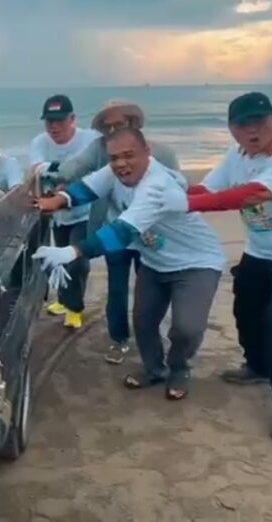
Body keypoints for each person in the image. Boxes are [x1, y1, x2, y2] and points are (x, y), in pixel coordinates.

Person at [148, 92, 272, 444]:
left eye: (259, 121)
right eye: (243, 124)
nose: (252, 130)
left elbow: (253, 195)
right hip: (262, 251)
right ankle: (258, 366)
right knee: (247, 313)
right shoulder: (236, 156)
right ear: (231, 129)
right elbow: (207, 188)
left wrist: (188, 204)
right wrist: (164, 192)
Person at [33, 127, 224, 400]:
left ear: (147, 153)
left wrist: (71, 252)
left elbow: (122, 233)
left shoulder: (156, 185)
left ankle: (179, 367)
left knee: (187, 328)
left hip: (196, 262)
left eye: (129, 155)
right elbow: (87, 189)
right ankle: (154, 369)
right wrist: (56, 201)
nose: (121, 163)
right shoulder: (115, 171)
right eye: (114, 158)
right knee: (144, 322)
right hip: (155, 261)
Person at [49, 99, 181, 364]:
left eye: (117, 124)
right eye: (106, 127)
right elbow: (73, 168)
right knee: (117, 289)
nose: (111, 131)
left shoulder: (163, 153)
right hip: (115, 232)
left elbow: (178, 192)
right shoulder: (99, 148)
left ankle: (151, 339)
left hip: (149, 235)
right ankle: (119, 340)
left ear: (132, 123)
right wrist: (51, 175)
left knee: (152, 291)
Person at [28, 95, 99, 329]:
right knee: (57, 258)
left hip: (85, 211)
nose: (54, 127)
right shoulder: (40, 142)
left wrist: (56, 171)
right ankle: (63, 299)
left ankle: (74, 308)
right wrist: (65, 174)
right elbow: (36, 169)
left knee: (77, 261)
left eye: (60, 120)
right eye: (49, 121)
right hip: (58, 213)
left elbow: (96, 171)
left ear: (72, 119)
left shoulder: (90, 139)